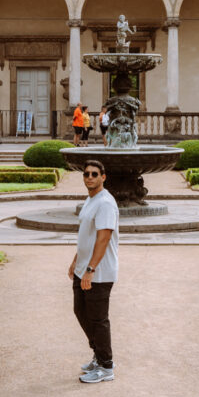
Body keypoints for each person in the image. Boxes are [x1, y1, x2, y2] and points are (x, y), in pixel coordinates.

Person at [68, 159, 119, 384]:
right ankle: (98, 355)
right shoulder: (91, 200)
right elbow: (86, 236)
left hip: (99, 272)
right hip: (84, 269)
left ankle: (106, 367)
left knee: (98, 319)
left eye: (94, 174)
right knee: (81, 312)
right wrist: (76, 261)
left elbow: (103, 237)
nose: (90, 177)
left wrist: (90, 269)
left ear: (103, 177)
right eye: (86, 173)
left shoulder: (105, 203)